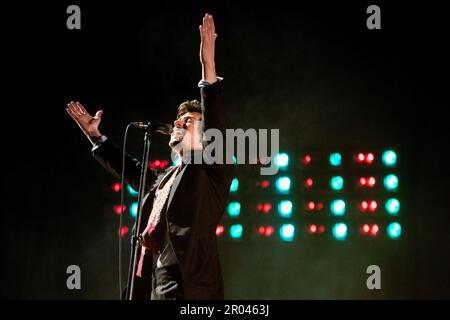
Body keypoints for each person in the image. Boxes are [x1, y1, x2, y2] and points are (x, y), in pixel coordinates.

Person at [66, 13, 234, 300]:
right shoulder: (161, 180)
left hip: (190, 288)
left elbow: (216, 122)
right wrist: (95, 136)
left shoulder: (211, 170)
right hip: (154, 284)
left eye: (190, 121)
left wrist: (208, 68)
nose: (180, 122)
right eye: (179, 119)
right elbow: (131, 170)